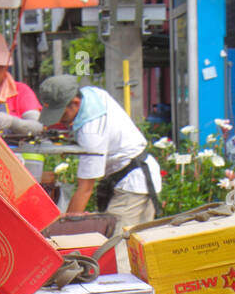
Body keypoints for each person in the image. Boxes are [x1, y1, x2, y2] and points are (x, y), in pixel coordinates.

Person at [37, 74, 162, 231]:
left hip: (133, 185)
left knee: (118, 248)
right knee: (133, 246)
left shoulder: (91, 133)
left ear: (75, 103)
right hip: (128, 174)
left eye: (61, 114)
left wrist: (63, 229)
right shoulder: (92, 94)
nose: (58, 120)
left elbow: (85, 188)